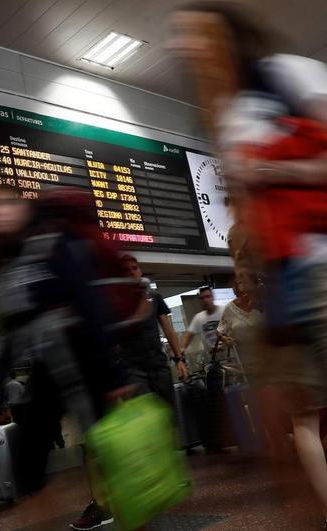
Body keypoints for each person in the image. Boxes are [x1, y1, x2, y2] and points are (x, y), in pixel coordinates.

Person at [169, 2, 327, 525]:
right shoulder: (226, 117)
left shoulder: (287, 74)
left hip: (322, 258)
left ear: (228, 34)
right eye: (183, 40)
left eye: (199, 35)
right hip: (287, 279)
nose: (190, 49)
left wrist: (270, 167)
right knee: (297, 415)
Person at [0, 186, 136, 530]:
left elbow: (89, 303)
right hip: (46, 371)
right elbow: (11, 333)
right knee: (27, 467)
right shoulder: (5, 264)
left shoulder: (53, 240)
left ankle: (132, 516)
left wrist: (113, 375)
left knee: (110, 454)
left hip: (86, 362)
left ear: (20, 206)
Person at [118, 255, 188, 406]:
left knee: (169, 412)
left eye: (134, 268)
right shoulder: (118, 303)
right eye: (126, 270)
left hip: (158, 365)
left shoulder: (155, 297)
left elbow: (168, 330)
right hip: (134, 370)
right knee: (145, 416)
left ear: (140, 271)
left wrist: (179, 359)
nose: (131, 272)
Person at [179, 286, 224, 364]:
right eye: (202, 298)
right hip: (214, 361)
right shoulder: (199, 318)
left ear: (212, 297)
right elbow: (188, 335)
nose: (205, 300)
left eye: (207, 297)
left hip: (230, 357)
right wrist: (181, 350)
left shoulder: (224, 311)